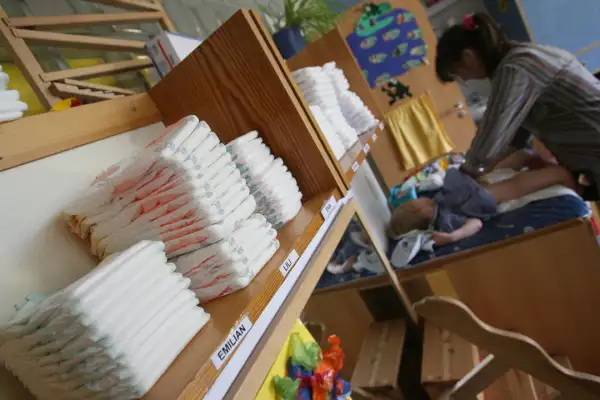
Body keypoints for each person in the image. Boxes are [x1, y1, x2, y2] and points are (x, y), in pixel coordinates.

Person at [435, 12, 600, 200]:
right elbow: (516, 135)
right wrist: (481, 170)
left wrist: (464, 174)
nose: (464, 79)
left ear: (468, 56)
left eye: (458, 73)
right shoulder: (523, 57)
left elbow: (493, 132)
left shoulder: (516, 68)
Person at [388, 163, 577, 246]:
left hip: (474, 187)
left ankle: (534, 163)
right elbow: (475, 223)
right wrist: (454, 237)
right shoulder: (445, 223)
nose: (420, 198)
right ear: (417, 209)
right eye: (416, 200)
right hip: (485, 197)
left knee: (517, 159)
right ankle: (563, 176)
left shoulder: (436, 204)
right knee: (516, 183)